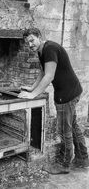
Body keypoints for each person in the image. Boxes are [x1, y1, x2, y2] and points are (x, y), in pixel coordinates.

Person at [18, 28, 89, 174]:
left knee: (64, 130)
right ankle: (83, 159)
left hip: (67, 95)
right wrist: (32, 88)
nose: (30, 44)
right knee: (73, 126)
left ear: (39, 36)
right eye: (27, 43)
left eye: (32, 40)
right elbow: (43, 71)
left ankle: (64, 164)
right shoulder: (41, 50)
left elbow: (49, 76)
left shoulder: (50, 49)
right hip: (72, 90)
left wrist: (33, 95)